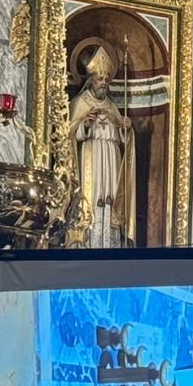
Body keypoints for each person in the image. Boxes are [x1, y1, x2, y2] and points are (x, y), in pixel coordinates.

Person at [70, 45, 137, 248]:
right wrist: (85, 125)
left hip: (111, 159)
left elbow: (124, 141)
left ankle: (112, 245)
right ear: (91, 80)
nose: (104, 84)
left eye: (107, 81)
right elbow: (70, 134)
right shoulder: (80, 102)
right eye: (100, 80)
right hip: (91, 157)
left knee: (110, 199)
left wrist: (126, 129)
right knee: (92, 199)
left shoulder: (112, 106)